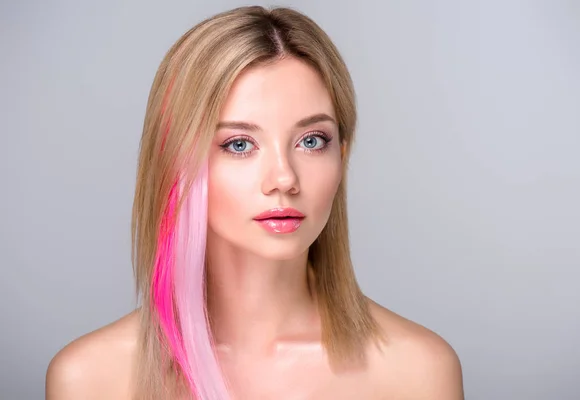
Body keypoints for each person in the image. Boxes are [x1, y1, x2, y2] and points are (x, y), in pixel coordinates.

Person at [45, 5, 464, 399]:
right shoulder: (90, 378)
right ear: (174, 162)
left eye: (312, 140)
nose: (284, 178)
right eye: (240, 144)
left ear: (343, 154)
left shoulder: (418, 371)